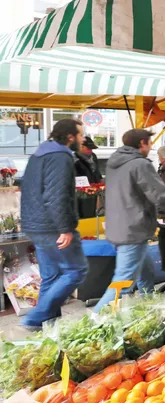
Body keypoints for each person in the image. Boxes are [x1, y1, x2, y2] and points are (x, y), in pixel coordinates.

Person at [94, 129, 165, 312]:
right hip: (133, 229)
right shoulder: (139, 164)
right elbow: (160, 195)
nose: (151, 147)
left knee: (144, 272)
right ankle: (96, 319)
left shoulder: (114, 163)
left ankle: (149, 304)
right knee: (123, 282)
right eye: (150, 143)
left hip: (118, 226)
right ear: (142, 143)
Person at [19, 119, 88, 329]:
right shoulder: (60, 157)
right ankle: (35, 318)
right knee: (76, 270)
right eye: (80, 134)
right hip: (51, 226)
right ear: (70, 136)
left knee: (51, 276)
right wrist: (65, 228)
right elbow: (56, 195)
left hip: (36, 225)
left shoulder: (40, 154)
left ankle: (48, 325)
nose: (83, 138)